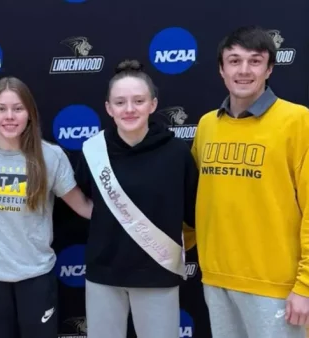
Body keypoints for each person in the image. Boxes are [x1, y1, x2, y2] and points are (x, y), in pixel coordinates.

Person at [0, 76, 93, 338]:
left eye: (18, 108)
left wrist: (129, 221)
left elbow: (83, 206)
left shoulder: (50, 156)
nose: (10, 116)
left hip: (36, 277)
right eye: (1, 108)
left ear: (30, 113)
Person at [191, 25, 309, 338]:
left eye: (255, 61)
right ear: (221, 69)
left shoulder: (298, 121)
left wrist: (305, 286)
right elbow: (195, 200)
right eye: (234, 61)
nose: (244, 70)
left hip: (277, 287)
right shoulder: (206, 125)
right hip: (216, 280)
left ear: (269, 69)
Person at [75, 59, 198, 338]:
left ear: (153, 104)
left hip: (158, 274)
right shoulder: (93, 151)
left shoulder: (177, 153)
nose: (129, 109)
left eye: (138, 101)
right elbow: (76, 200)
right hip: (104, 275)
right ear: (108, 108)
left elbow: (195, 213)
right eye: (120, 102)